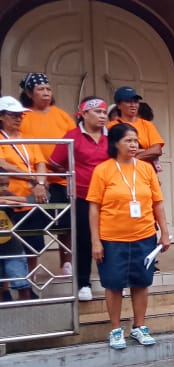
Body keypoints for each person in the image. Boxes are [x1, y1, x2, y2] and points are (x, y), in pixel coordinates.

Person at [87, 122, 171, 349]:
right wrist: (95, 241)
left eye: (136, 141)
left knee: (141, 282)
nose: (134, 145)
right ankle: (115, 330)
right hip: (112, 238)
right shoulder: (103, 170)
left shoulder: (145, 169)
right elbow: (94, 207)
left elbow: (158, 203)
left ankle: (139, 327)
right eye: (128, 140)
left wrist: (164, 233)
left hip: (144, 236)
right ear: (115, 143)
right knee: (114, 284)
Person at [49, 97, 109, 301]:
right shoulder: (72, 136)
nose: (102, 116)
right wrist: (72, 172)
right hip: (82, 196)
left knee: (111, 239)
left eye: (104, 112)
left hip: (109, 198)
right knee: (84, 240)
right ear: (83, 114)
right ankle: (84, 283)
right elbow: (54, 162)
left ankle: (112, 280)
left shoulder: (111, 137)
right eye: (98, 112)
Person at [19, 72, 76, 275]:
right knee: (33, 225)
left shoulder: (60, 114)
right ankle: (31, 265)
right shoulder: (23, 116)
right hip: (34, 178)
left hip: (62, 176)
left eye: (48, 89)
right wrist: (37, 177)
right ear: (28, 93)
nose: (46, 93)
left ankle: (66, 263)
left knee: (66, 222)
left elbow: (73, 140)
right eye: (41, 90)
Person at [0, 95, 48, 265]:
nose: (18, 118)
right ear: (1, 116)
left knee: (33, 245)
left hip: (31, 200)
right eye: (14, 115)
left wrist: (41, 184)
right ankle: (5, 288)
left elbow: (41, 162)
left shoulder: (27, 138)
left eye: (20, 115)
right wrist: (31, 177)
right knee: (7, 246)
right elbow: (3, 164)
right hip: (8, 202)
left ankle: (30, 285)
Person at [107, 87, 164, 170]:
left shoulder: (147, 125)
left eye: (136, 101)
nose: (133, 105)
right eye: (128, 101)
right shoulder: (110, 126)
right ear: (118, 105)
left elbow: (157, 150)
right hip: (121, 171)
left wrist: (134, 158)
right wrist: (144, 152)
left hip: (145, 172)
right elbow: (112, 151)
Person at [0, 174, 36, 300]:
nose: (4, 188)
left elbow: (23, 200)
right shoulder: (7, 198)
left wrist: (5, 200)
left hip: (12, 247)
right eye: (1, 185)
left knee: (20, 281)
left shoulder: (8, 195)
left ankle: (24, 311)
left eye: (6, 184)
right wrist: (5, 201)